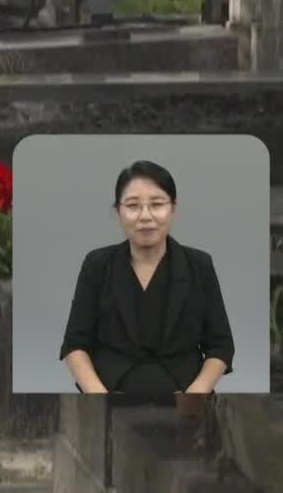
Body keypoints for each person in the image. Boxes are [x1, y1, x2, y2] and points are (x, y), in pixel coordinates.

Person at [58, 160, 235, 401]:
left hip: (186, 401)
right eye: (132, 206)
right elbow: (75, 345)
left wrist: (194, 397)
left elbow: (221, 346)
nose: (145, 216)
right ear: (118, 212)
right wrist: (100, 399)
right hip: (110, 397)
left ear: (173, 208)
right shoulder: (97, 265)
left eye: (157, 204)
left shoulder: (199, 265)